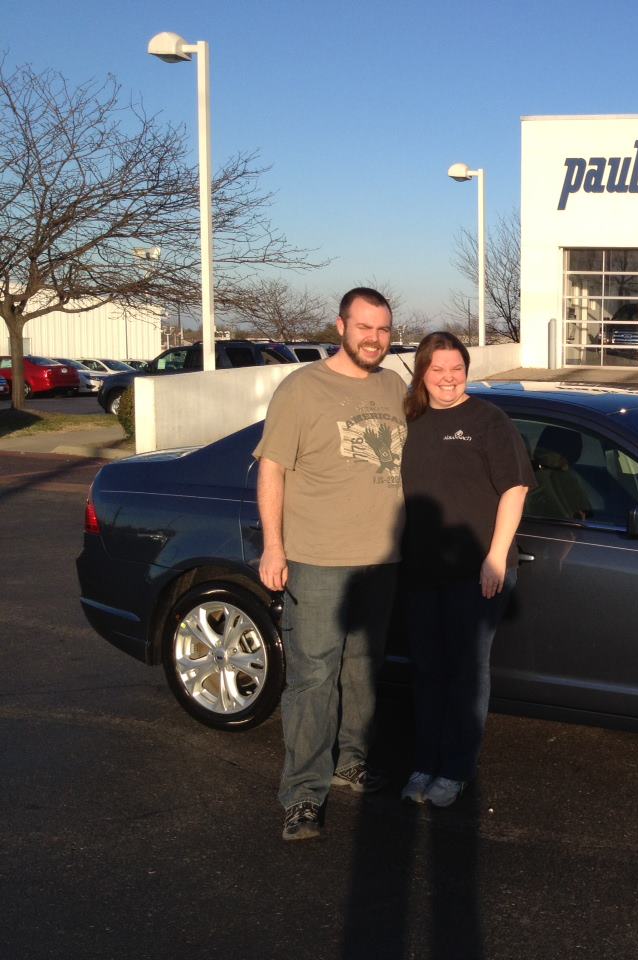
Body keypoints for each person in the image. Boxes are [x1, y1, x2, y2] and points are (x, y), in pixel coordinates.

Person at [255, 287, 406, 842]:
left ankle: (351, 761)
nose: (374, 338)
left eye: (384, 329)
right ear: (340, 326)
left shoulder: (393, 385)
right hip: (318, 559)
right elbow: (272, 469)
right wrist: (275, 546)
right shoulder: (302, 388)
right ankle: (302, 794)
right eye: (365, 327)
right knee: (313, 678)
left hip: (382, 560)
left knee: (364, 670)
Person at [398, 332, 533, 808]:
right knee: (429, 670)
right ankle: (425, 762)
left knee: (467, 671)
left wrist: (495, 557)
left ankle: (455, 768)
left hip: (477, 570)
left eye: (456, 369)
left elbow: (514, 490)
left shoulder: (488, 420)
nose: (448, 379)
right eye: (438, 370)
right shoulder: (408, 419)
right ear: (422, 372)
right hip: (420, 570)